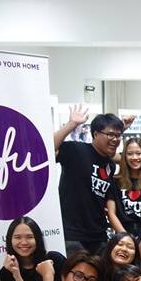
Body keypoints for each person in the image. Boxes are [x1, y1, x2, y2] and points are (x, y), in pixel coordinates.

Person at [54, 107, 124, 254]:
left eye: (118, 135)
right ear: (96, 134)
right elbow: (47, 148)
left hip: (98, 235)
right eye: (110, 134)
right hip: (72, 234)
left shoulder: (110, 165)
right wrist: (72, 124)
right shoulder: (76, 150)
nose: (115, 139)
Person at [106, 136, 141, 240]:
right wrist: (126, 237)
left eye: (138, 153)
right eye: (130, 154)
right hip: (121, 236)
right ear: (124, 157)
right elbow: (111, 213)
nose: (134, 157)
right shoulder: (115, 181)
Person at [0, 216, 66, 281]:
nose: (24, 242)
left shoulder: (55, 260)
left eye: (30, 237)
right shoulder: (6, 272)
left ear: (37, 239)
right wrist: (16, 275)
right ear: (10, 240)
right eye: (18, 237)